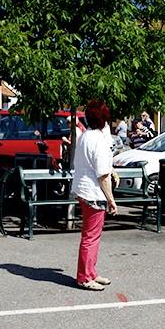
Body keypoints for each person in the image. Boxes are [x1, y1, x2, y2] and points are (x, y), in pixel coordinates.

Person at [70, 100, 117, 291]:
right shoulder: (98, 140)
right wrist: (111, 200)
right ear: (104, 119)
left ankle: (90, 272)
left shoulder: (86, 136)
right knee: (91, 237)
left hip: (83, 189)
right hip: (93, 192)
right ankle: (84, 277)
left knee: (91, 236)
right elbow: (103, 175)